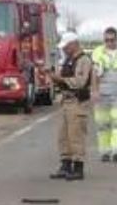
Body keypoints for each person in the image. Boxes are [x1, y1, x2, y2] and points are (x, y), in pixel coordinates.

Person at [48, 32, 93, 181]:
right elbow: (63, 79)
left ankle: (78, 168)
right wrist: (53, 77)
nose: (64, 50)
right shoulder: (68, 60)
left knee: (76, 136)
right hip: (66, 102)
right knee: (63, 136)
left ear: (74, 44)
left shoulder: (83, 60)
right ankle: (65, 165)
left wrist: (61, 78)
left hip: (77, 102)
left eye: (66, 47)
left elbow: (80, 81)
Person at [92, 27, 117, 162]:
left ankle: (115, 150)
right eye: (107, 40)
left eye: (112, 40)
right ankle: (105, 151)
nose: (109, 43)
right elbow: (95, 74)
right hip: (102, 94)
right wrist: (94, 91)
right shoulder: (98, 52)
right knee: (103, 124)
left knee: (116, 122)